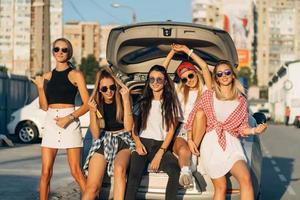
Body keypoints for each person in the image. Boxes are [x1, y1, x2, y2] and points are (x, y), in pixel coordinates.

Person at [185, 60, 267, 200]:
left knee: (246, 179)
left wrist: (255, 131)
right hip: (211, 143)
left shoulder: (241, 101)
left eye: (227, 72)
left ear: (233, 75)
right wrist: (190, 138)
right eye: (220, 74)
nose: (224, 76)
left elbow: (242, 128)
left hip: (232, 144)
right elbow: (192, 117)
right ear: (216, 77)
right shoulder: (209, 95)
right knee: (221, 186)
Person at [31, 38, 89, 200]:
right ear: (53, 52)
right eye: (57, 49)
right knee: (45, 172)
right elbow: (44, 106)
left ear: (69, 53)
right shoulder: (47, 76)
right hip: (51, 122)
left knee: (76, 171)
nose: (60, 52)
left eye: (64, 50)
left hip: (70, 122)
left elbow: (87, 105)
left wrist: (69, 118)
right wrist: (41, 87)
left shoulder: (76, 74)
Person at [125, 65, 180, 200]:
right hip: (142, 143)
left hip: (161, 146)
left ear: (165, 82)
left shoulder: (172, 103)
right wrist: (137, 143)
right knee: (133, 175)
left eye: (159, 80)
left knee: (175, 171)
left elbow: (171, 131)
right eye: (152, 79)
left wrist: (160, 153)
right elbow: (133, 127)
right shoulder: (142, 101)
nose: (155, 83)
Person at [162, 43, 212, 188]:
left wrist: (186, 50)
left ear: (195, 72)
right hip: (180, 128)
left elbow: (204, 67)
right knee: (183, 149)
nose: (189, 80)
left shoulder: (206, 89)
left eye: (190, 75)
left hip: (200, 129)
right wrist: (171, 52)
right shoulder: (179, 90)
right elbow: (161, 72)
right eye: (184, 79)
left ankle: (191, 162)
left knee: (200, 113)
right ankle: (186, 171)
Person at [82, 69, 135, 200]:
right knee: (92, 188)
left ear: (116, 86)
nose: (109, 91)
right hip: (104, 139)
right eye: (104, 89)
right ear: (99, 90)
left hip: (124, 140)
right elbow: (95, 134)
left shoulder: (123, 100)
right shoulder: (96, 104)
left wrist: (127, 100)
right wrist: (92, 112)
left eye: (112, 87)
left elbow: (128, 128)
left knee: (119, 169)